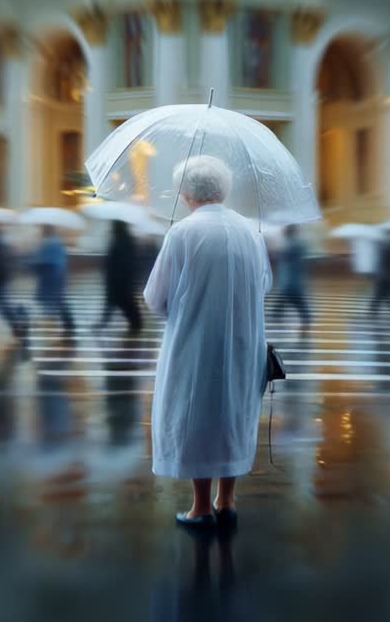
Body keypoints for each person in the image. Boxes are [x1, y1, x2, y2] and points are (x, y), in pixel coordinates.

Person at [143, 155, 271, 527]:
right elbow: (263, 285)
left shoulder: (182, 233)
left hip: (195, 341)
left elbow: (156, 297)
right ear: (223, 190)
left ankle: (200, 506)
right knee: (234, 412)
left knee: (196, 413)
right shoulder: (251, 231)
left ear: (186, 193)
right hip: (244, 340)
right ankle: (226, 500)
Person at [95, 220, 143, 335]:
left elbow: (118, 261)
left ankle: (136, 323)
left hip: (119, 279)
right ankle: (134, 322)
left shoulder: (121, 241)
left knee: (123, 301)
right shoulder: (124, 240)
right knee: (118, 301)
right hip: (120, 279)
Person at [31, 225, 75, 333]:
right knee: (58, 300)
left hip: (51, 275)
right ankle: (67, 323)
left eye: (42, 230)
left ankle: (63, 323)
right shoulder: (57, 241)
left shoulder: (49, 243)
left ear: (46, 231)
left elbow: (41, 259)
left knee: (54, 301)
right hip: (57, 275)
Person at [273, 224, 311, 331]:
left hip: (291, 279)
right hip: (293, 277)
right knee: (290, 297)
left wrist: (278, 251)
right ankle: (276, 313)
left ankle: (306, 319)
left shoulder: (292, 244)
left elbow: (284, 256)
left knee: (296, 299)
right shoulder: (296, 242)